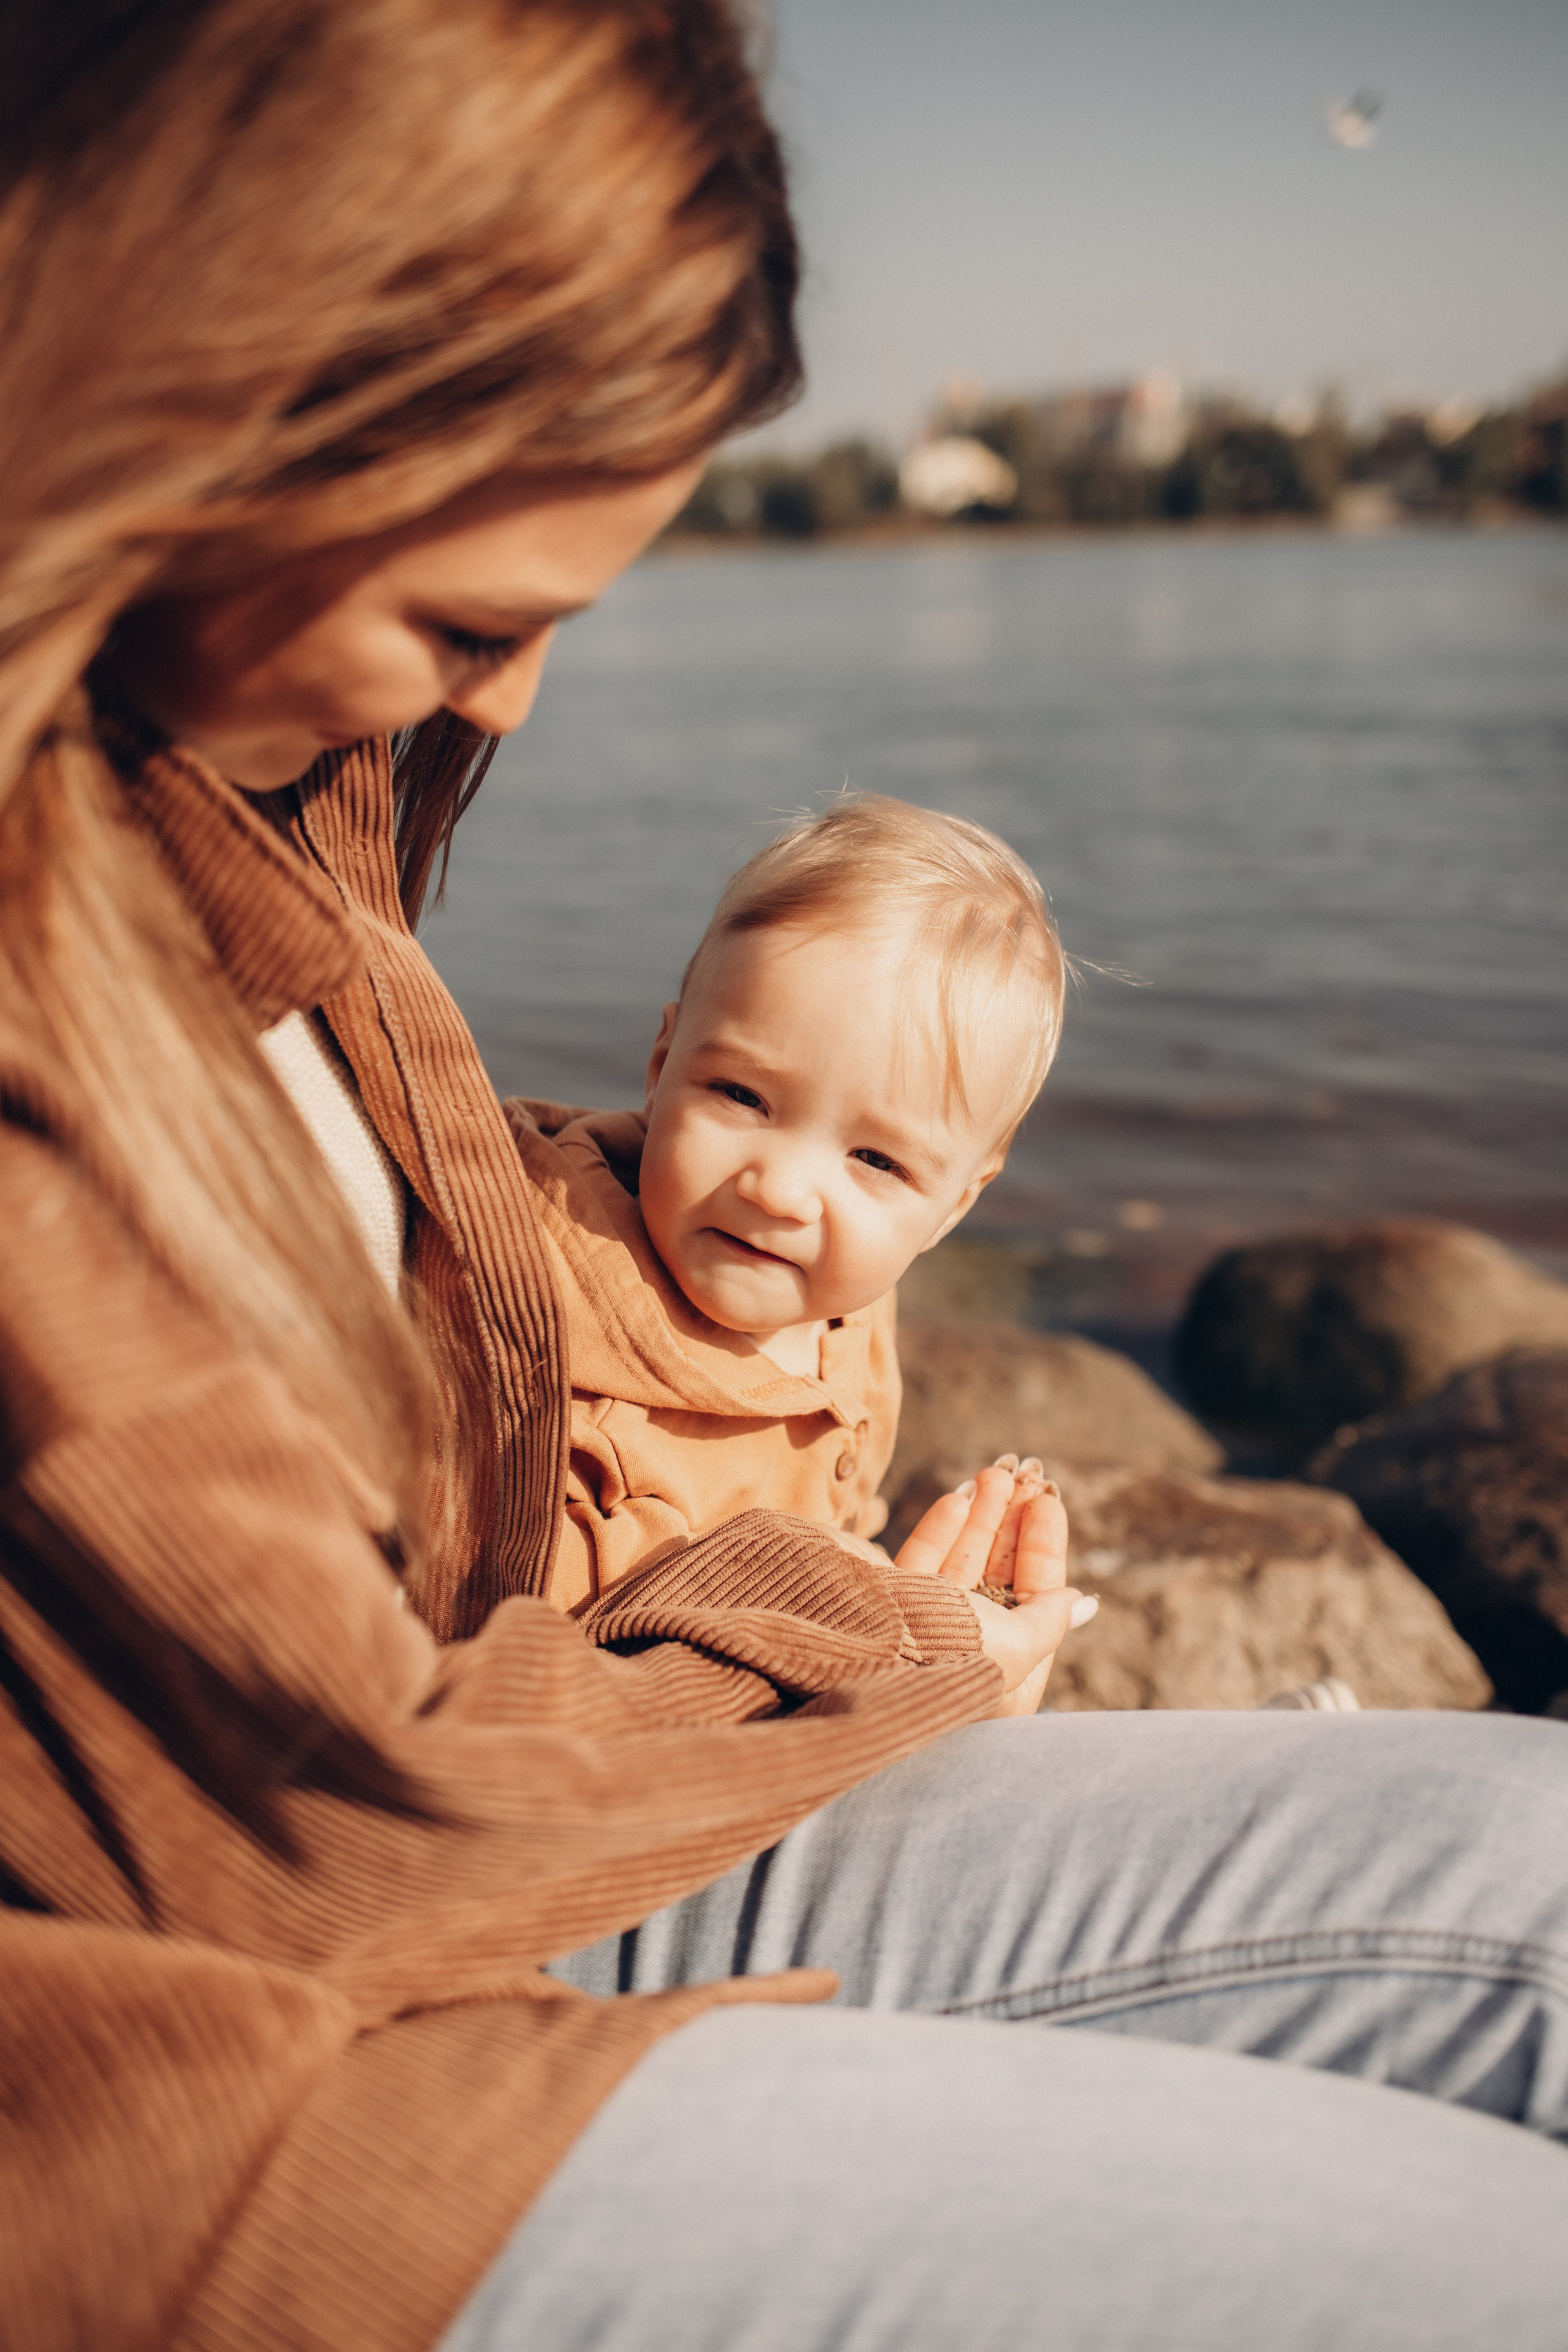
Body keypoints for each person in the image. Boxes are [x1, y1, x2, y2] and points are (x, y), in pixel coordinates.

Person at [2, 9, 1567, 2352]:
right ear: (206, 388)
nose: (506, 710)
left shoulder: (248, 818)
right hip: (209, 2093)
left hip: (525, 1847)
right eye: (469, 621)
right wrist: (891, 1647)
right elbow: (325, 1832)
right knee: (1485, 2279)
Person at [508, 794, 1077, 1607]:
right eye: (742, 1096)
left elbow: (846, 1508)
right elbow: (509, 1586)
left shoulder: (851, 1320)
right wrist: (831, 1600)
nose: (779, 1191)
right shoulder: (543, 1302)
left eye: (875, 1158)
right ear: (662, 1063)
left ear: (953, 1207)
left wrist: (867, 1568)